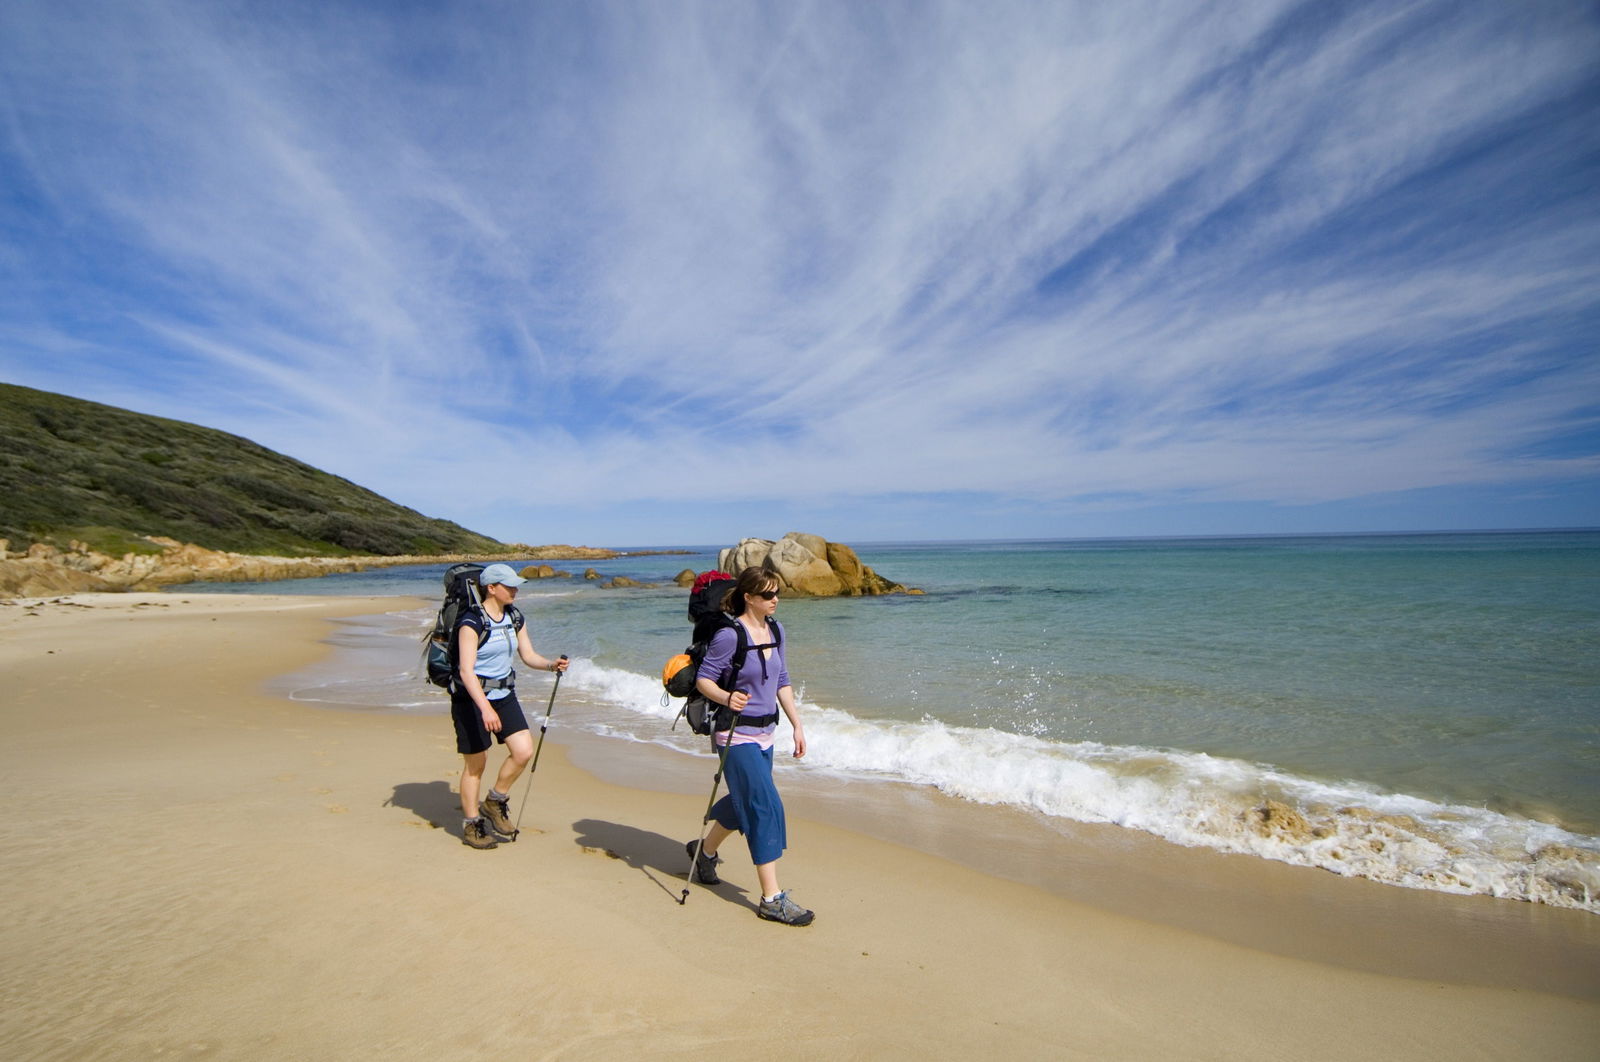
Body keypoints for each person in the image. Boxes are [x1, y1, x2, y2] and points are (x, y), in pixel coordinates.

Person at [687, 566, 813, 925]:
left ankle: (705, 851)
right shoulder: (730, 635)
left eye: (777, 594)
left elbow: (782, 679)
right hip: (734, 734)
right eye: (768, 594)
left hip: (766, 733)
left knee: (744, 800)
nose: (775, 600)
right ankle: (771, 898)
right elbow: (704, 679)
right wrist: (727, 698)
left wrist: (797, 725)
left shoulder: (776, 630)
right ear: (749, 597)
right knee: (764, 806)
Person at [451, 563, 569, 849]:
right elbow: (466, 672)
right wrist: (485, 708)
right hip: (471, 698)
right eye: (509, 586)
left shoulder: (514, 616)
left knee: (523, 750)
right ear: (491, 588)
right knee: (476, 764)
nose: (515, 590)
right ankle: (471, 826)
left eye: (516, 585)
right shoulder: (471, 621)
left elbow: (528, 655)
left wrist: (550, 664)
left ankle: (494, 801)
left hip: (504, 694)